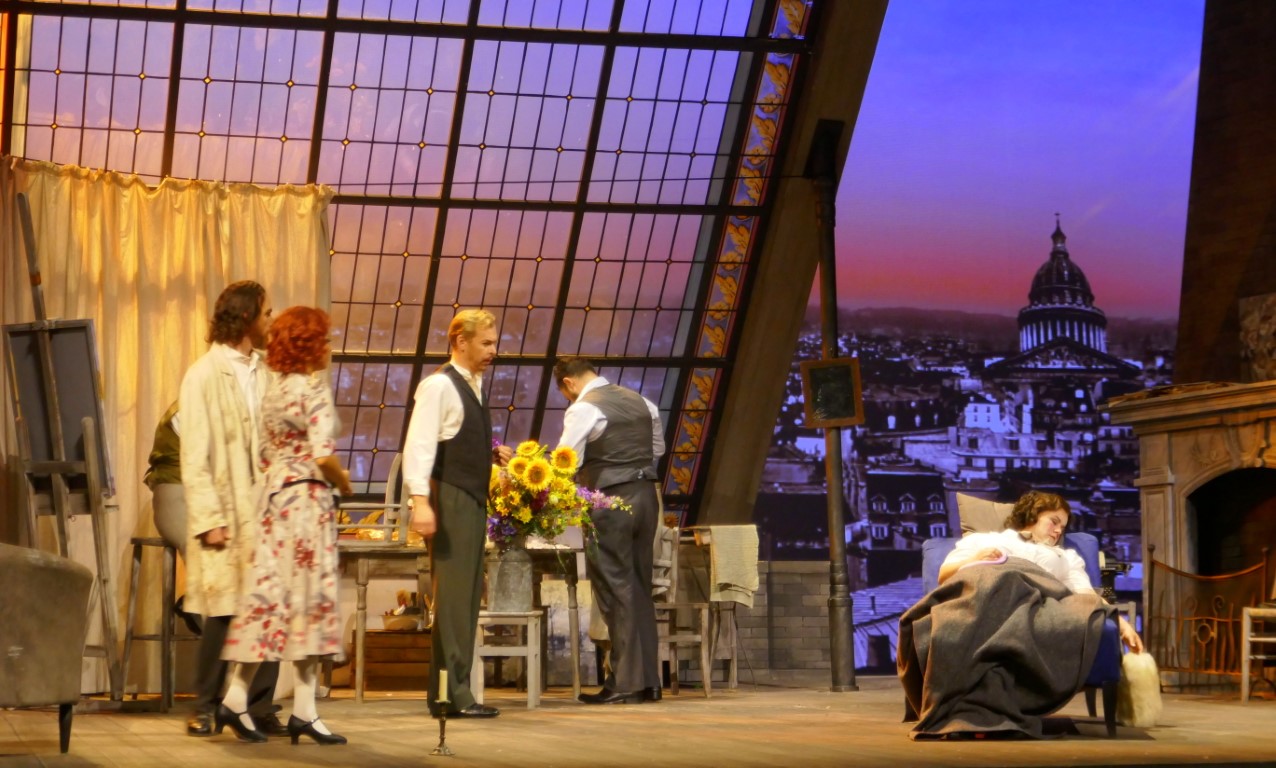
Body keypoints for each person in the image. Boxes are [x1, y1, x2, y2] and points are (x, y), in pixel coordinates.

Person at [220, 306, 352, 746]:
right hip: (306, 503)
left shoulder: (273, 393)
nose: (329, 347)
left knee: (272, 601)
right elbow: (322, 455)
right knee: (308, 601)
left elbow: (263, 454)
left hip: (275, 504)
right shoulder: (312, 390)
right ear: (308, 345)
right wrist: (343, 481)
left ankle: (243, 698)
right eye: (324, 339)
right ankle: (302, 711)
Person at [178, 280, 285, 739]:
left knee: (268, 608)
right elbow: (193, 455)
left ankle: (258, 707)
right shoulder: (203, 375)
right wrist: (209, 519)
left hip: (265, 510)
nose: (271, 320)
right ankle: (205, 706)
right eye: (267, 313)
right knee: (223, 613)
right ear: (245, 317)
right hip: (225, 509)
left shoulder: (266, 373)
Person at [403, 309, 511, 719]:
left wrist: (490, 455)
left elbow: (455, 438)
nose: (493, 350)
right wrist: (420, 501)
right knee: (452, 601)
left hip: (469, 498)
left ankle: (451, 693)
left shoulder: (473, 386)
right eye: (486, 342)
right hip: (449, 498)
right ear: (460, 341)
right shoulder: (439, 386)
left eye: (494, 342)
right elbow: (420, 445)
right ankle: (452, 696)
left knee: (465, 599)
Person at [553, 357, 665, 705]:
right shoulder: (643, 402)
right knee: (639, 586)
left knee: (616, 588)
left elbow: (565, 460)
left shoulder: (584, 408)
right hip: (646, 498)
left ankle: (626, 682)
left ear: (568, 383)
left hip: (609, 501)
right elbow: (656, 449)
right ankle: (649, 682)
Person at [938, 490, 1143, 652]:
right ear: (1032, 515)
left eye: (1062, 527)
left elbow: (1087, 597)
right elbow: (944, 576)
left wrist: (1121, 624)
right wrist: (976, 559)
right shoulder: (986, 540)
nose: (1058, 531)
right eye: (1054, 522)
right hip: (988, 602)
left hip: (1038, 610)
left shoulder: (1067, 557)